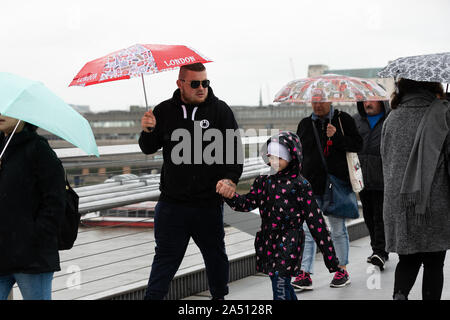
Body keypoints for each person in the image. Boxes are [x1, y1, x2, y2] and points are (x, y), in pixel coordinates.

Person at [139, 62, 243, 300]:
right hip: (171, 205)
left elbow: (234, 153)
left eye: (205, 83)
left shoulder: (221, 111)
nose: (201, 88)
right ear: (180, 84)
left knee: (216, 257)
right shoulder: (164, 110)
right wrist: (147, 130)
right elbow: (148, 148)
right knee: (165, 260)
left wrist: (230, 179)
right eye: (195, 83)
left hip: (207, 204)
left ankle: (219, 300)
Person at [218, 131, 342, 300]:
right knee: (279, 280)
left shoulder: (301, 185)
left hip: (290, 239)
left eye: (279, 157)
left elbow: (316, 222)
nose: (274, 161)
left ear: (292, 156)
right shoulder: (263, 182)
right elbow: (247, 204)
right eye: (271, 156)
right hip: (268, 240)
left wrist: (331, 259)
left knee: (280, 283)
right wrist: (230, 196)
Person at [381, 78, 450, 300]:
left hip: (400, 203)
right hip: (433, 202)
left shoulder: (392, 118)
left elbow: (385, 159)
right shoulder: (443, 114)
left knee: (408, 260)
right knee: (434, 262)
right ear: (434, 86)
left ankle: (400, 295)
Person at [293, 89, 363, 290]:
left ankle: (342, 270)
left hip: (336, 185)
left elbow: (358, 144)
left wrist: (337, 136)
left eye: (321, 101)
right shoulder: (305, 124)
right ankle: (304, 273)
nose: (317, 105)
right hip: (310, 186)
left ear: (330, 100)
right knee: (307, 231)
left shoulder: (344, 120)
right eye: (314, 102)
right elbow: (298, 153)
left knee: (338, 230)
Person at [0, 114, 66, 300]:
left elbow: (55, 201)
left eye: (8, 110)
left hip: (32, 256)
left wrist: (34, 237)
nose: (1, 114)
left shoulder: (39, 150)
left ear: (24, 115)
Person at [354, 99, 390, 270]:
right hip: (362, 178)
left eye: (372, 101)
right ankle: (377, 249)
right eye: (365, 101)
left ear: (382, 103)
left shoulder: (390, 119)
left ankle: (380, 251)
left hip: (383, 177)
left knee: (380, 216)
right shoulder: (356, 121)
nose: (368, 104)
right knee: (368, 215)